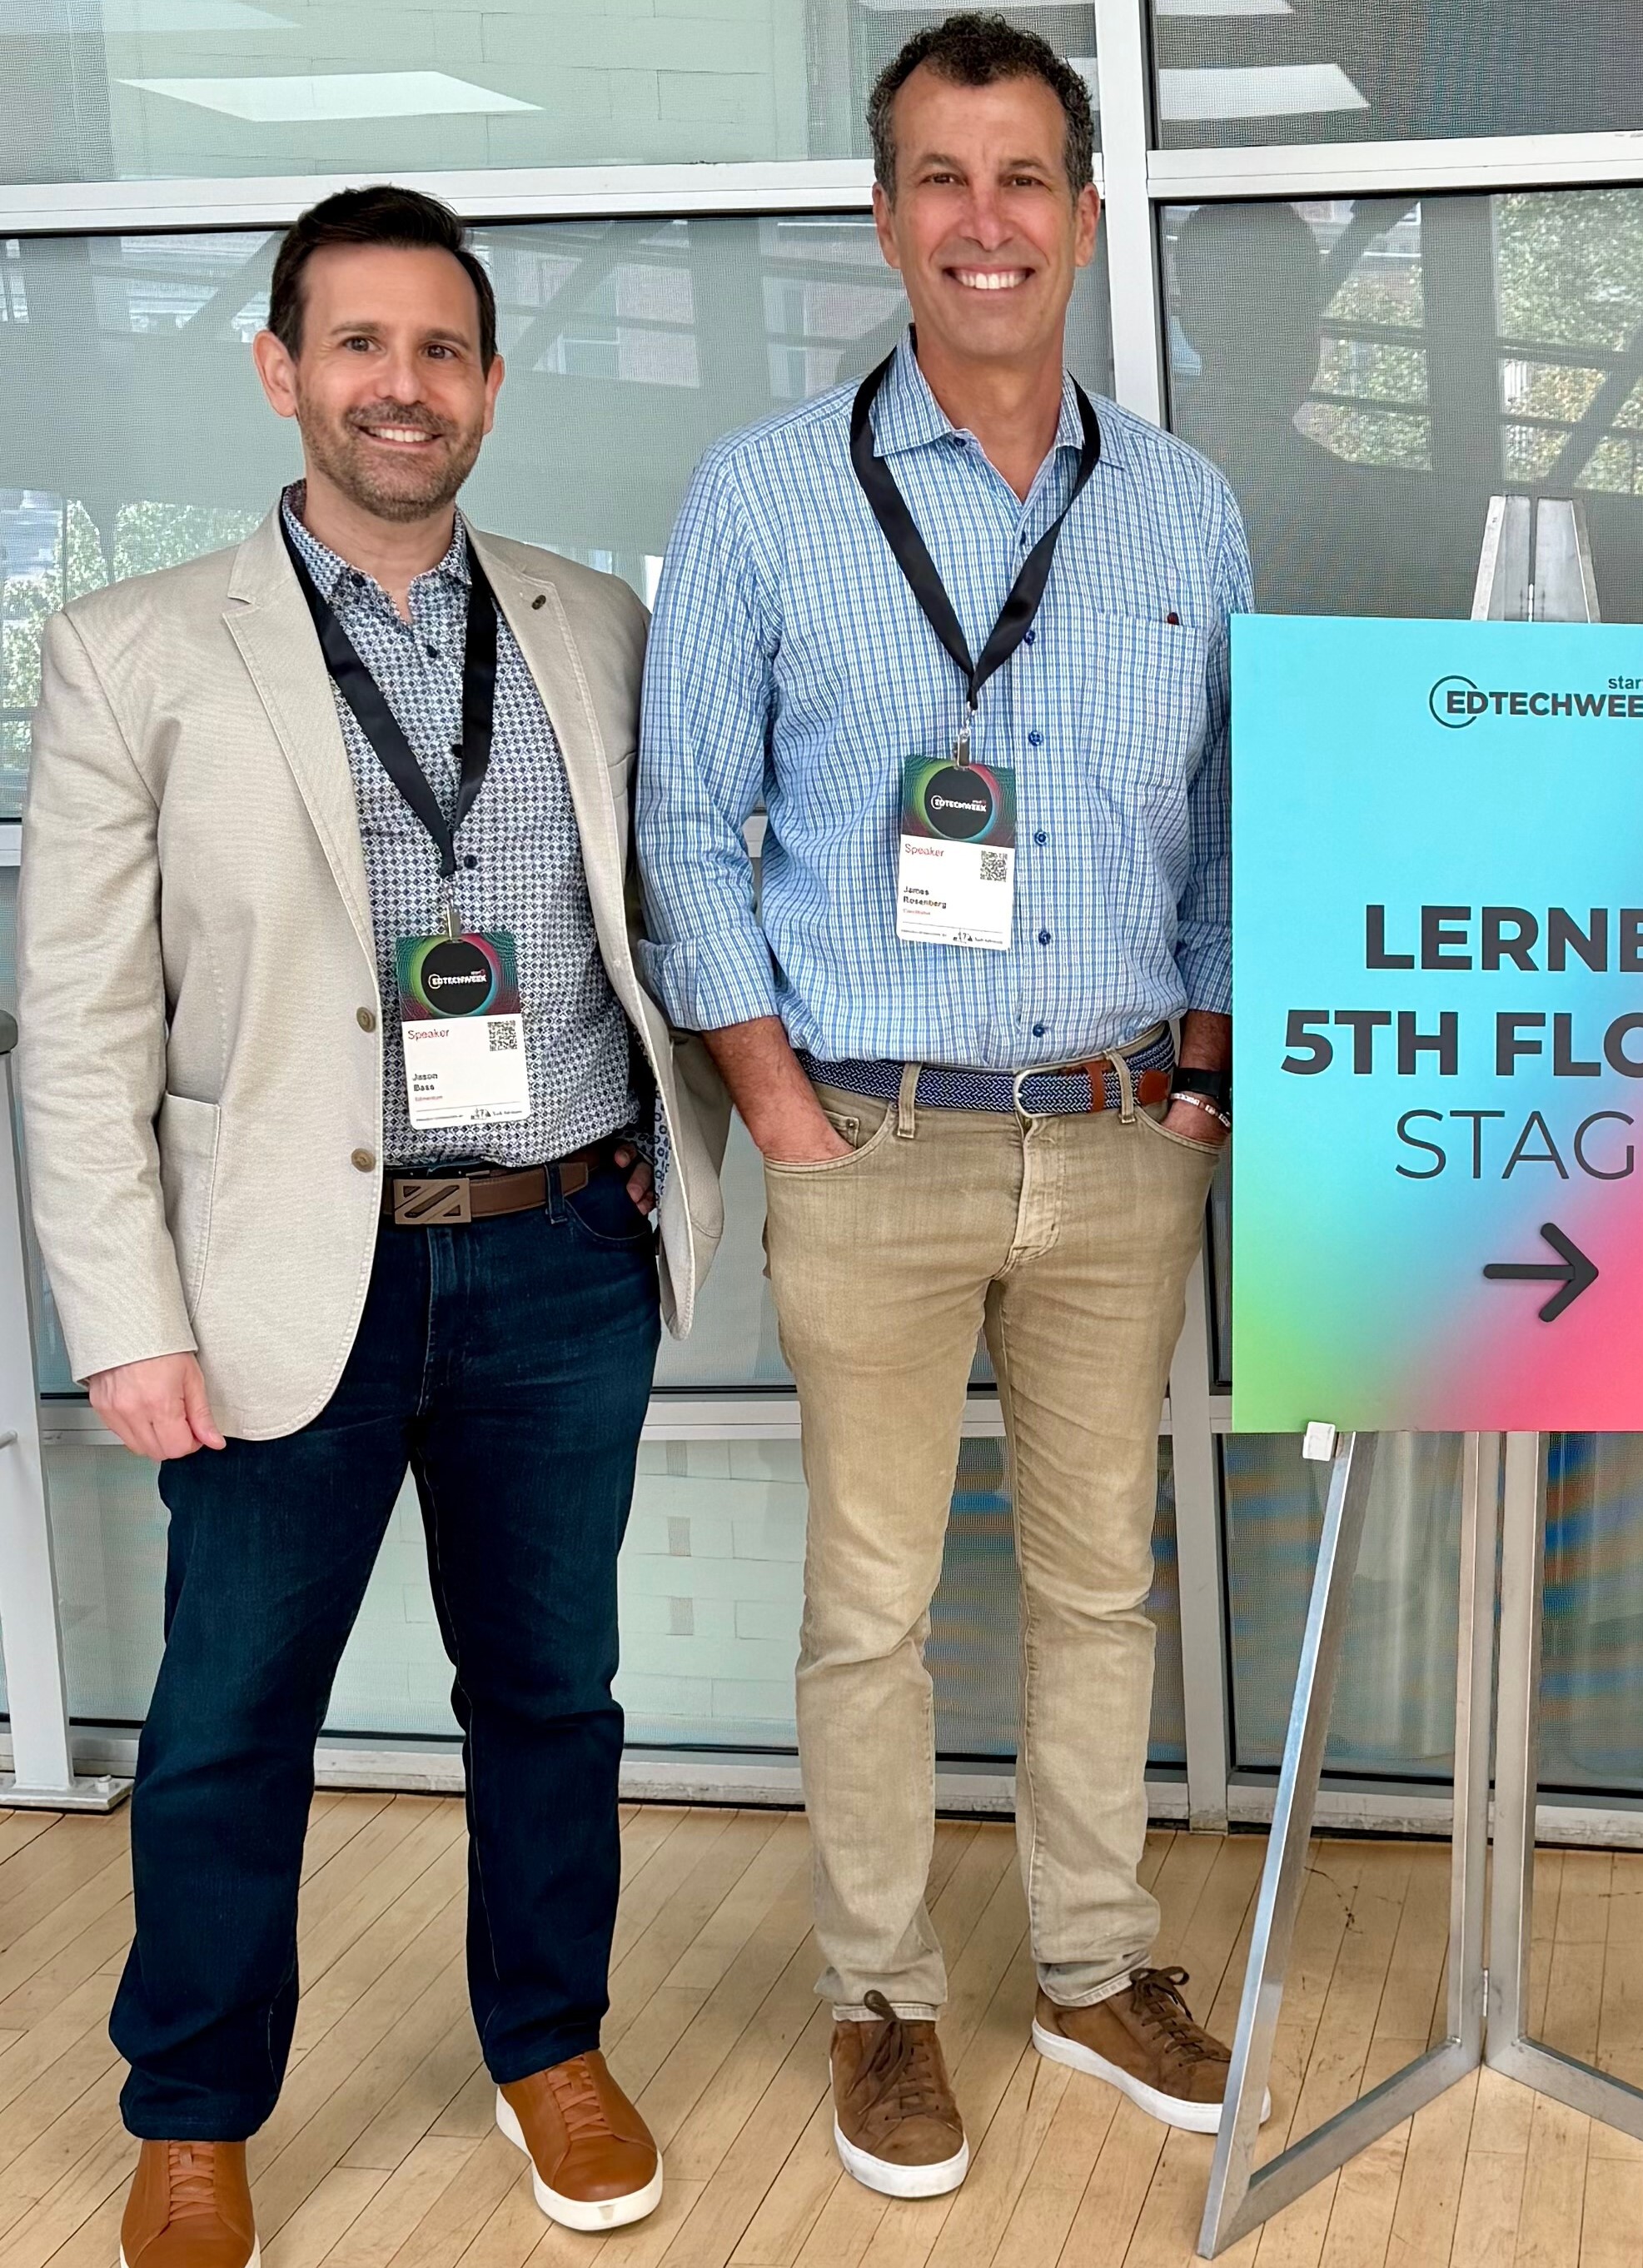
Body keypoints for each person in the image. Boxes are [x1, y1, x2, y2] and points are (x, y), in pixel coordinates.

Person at [18, 185, 726, 2268]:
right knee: (235, 1709)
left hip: (556, 1250)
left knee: (553, 1694)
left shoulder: (598, 624)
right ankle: (196, 2105)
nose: (399, 387)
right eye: (358, 346)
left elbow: (662, 911)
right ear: (281, 369)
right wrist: (125, 1317)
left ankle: (550, 2045)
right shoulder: (130, 652)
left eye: (440, 352)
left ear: (488, 385)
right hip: (271, 1282)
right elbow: (76, 1027)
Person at [636, 11, 1246, 2199]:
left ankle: (1092, 1961)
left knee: (1102, 1582)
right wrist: (780, 1099)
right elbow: (691, 826)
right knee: (872, 1599)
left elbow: (1228, 819)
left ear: (1085, 218)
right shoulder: (766, 498)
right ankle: (879, 1995)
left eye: (1023, 182)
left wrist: (1194, 1074)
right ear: (885, 217)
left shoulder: (1182, 501)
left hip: (1112, 1141)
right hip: (867, 1136)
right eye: (939, 180)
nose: (985, 223)